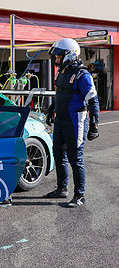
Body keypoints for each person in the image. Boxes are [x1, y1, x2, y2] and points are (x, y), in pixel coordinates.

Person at [43, 38, 99, 207]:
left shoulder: (82, 74)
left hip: (76, 121)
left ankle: (80, 195)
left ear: (69, 54)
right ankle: (62, 189)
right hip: (61, 120)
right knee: (58, 154)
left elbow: (93, 99)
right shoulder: (62, 71)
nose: (56, 59)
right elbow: (60, 92)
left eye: (59, 56)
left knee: (76, 159)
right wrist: (51, 109)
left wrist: (94, 125)